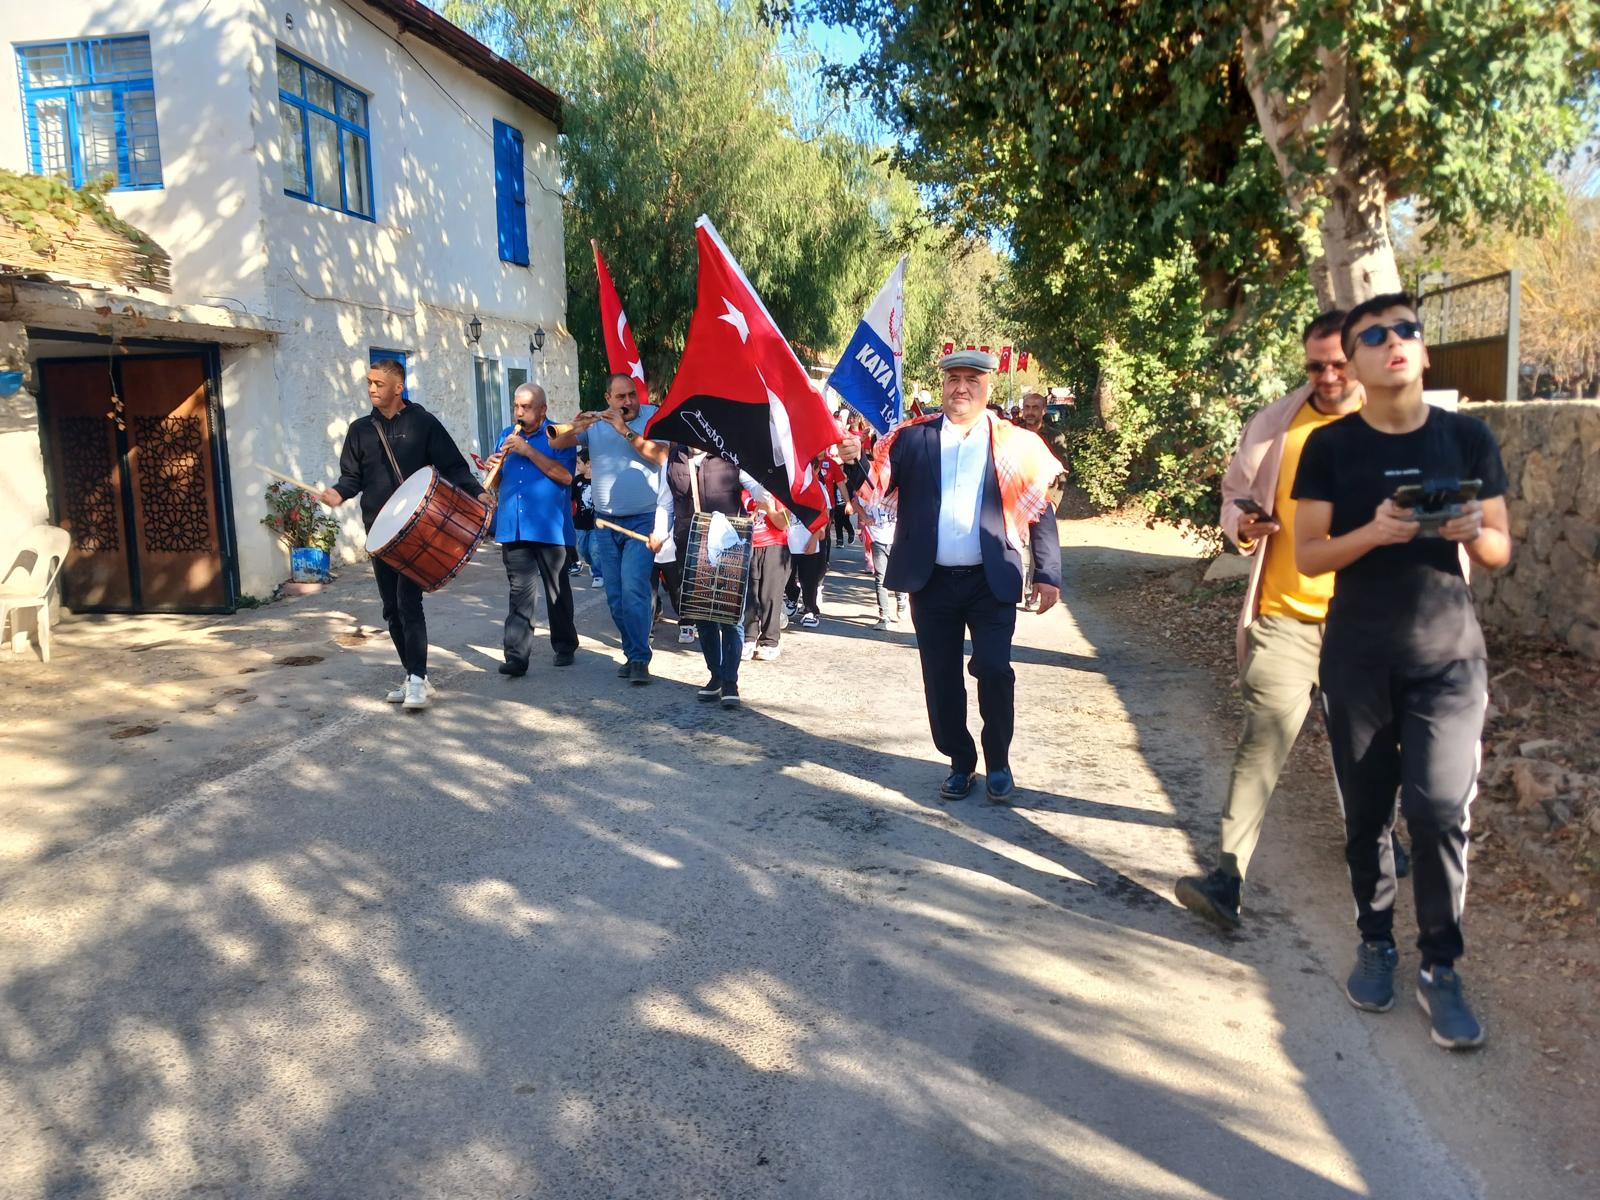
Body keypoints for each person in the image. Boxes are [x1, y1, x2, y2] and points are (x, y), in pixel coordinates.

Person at [1293, 293, 1512, 1050]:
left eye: (1407, 332)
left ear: (1422, 351)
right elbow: (1308, 553)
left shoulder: (1467, 438)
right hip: (1356, 659)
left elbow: (1498, 551)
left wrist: (1472, 528)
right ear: (1350, 361)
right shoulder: (1331, 447)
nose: (1395, 343)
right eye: (1374, 335)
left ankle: (1441, 968)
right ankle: (1377, 942)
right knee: (1367, 816)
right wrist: (1374, 532)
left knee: (1439, 812)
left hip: (1448, 660)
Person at [1175, 310, 1382, 929]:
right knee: (1260, 745)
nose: (1325, 376)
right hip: (1284, 616)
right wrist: (1243, 522)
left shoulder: (1393, 423)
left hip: (1365, 622)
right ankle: (1227, 878)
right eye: (1314, 365)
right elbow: (1235, 495)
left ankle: (1377, 853)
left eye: (1338, 365)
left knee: (1370, 753)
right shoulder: (1277, 424)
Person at [840, 349, 1062, 802]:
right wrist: (851, 461)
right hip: (932, 581)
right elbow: (874, 492)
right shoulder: (911, 439)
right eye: (953, 378)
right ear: (942, 385)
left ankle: (998, 760)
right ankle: (961, 761)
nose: (961, 387)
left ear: (988, 388)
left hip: (991, 580)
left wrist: (1049, 572)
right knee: (940, 677)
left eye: (971, 380)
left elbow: (1041, 510)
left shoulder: (1014, 443)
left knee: (995, 670)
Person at [318, 358, 490, 710]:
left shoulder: (423, 423)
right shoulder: (360, 430)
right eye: (369, 382)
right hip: (380, 533)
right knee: (391, 609)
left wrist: (477, 492)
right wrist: (339, 492)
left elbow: (453, 465)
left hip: (418, 527)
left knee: (408, 602)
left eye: (379, 383)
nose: (371, 389)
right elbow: (351, 477)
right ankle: (417, 676)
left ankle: (415, 678)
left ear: (398, 387)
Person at [551, 374, 669, 684]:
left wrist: (624, 430)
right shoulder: (597, 423)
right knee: (615, 596)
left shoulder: (653, 417)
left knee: (634, 589)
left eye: (632, 395)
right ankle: (633, 653)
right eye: (621, 397)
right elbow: (556, 442)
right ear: (608, 399)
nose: (628, 402)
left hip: (643, 519)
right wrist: (578, 425)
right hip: (604, 522)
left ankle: (641, 658)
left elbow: (662, 456)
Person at [483, 383, 578, 676]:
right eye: (516, 406)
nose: (520, 412)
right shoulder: (506, 434)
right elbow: (500, 482)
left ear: (543, 409)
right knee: (519, 591)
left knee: (556, 590)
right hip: (514, 525)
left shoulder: (560, 435)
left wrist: (527, 451)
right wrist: (492, 470)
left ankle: (564, 644)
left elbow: (565, 476)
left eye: (526, 407)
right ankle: (516, 657)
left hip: (549, 526)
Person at [1015, 391, 1070, 608]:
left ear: (1043, 410)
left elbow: (1062, 473)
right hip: (1016, 499)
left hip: (1043, 499)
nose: (1030, 412)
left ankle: (1032, 591)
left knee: (1039, 547)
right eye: (1027, 407)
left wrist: (1053, 503)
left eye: (1035, 408)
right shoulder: (1013, 434)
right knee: (1018, 545)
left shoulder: (1055, 437)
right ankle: (1016, 587)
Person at [743, 484, 791, 661]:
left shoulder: (778, 488)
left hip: (774, 546)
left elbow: (783, 522)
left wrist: (768, 508)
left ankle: (770, 641)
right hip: (748, 547)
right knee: (749, 595)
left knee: (770, 596)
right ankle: (748, 637)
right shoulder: (742, 489)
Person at [572, 453, 602, 587]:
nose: (577, 466)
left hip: (595, 523)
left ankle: (598, 574)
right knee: (584, 550)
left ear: (588, 463)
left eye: (579, 462)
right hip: (580, 523)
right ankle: (591, 564)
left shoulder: (598, 480)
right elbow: (571, 499)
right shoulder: (577, 480)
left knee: (594, 549)